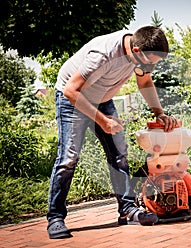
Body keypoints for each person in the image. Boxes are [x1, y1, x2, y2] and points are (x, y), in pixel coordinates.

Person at [47, 26, 178, 239]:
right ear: (135, 51)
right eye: (151, 62)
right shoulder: (103, 55)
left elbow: (144, 81)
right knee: (68, 158)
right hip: (72, 98)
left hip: (102, 98)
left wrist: (159, 114)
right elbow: (71, 90)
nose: (152, 67)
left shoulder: (141, 53)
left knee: (119, 155)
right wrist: (102, 120)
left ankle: (127, 211)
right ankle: (55, 218)